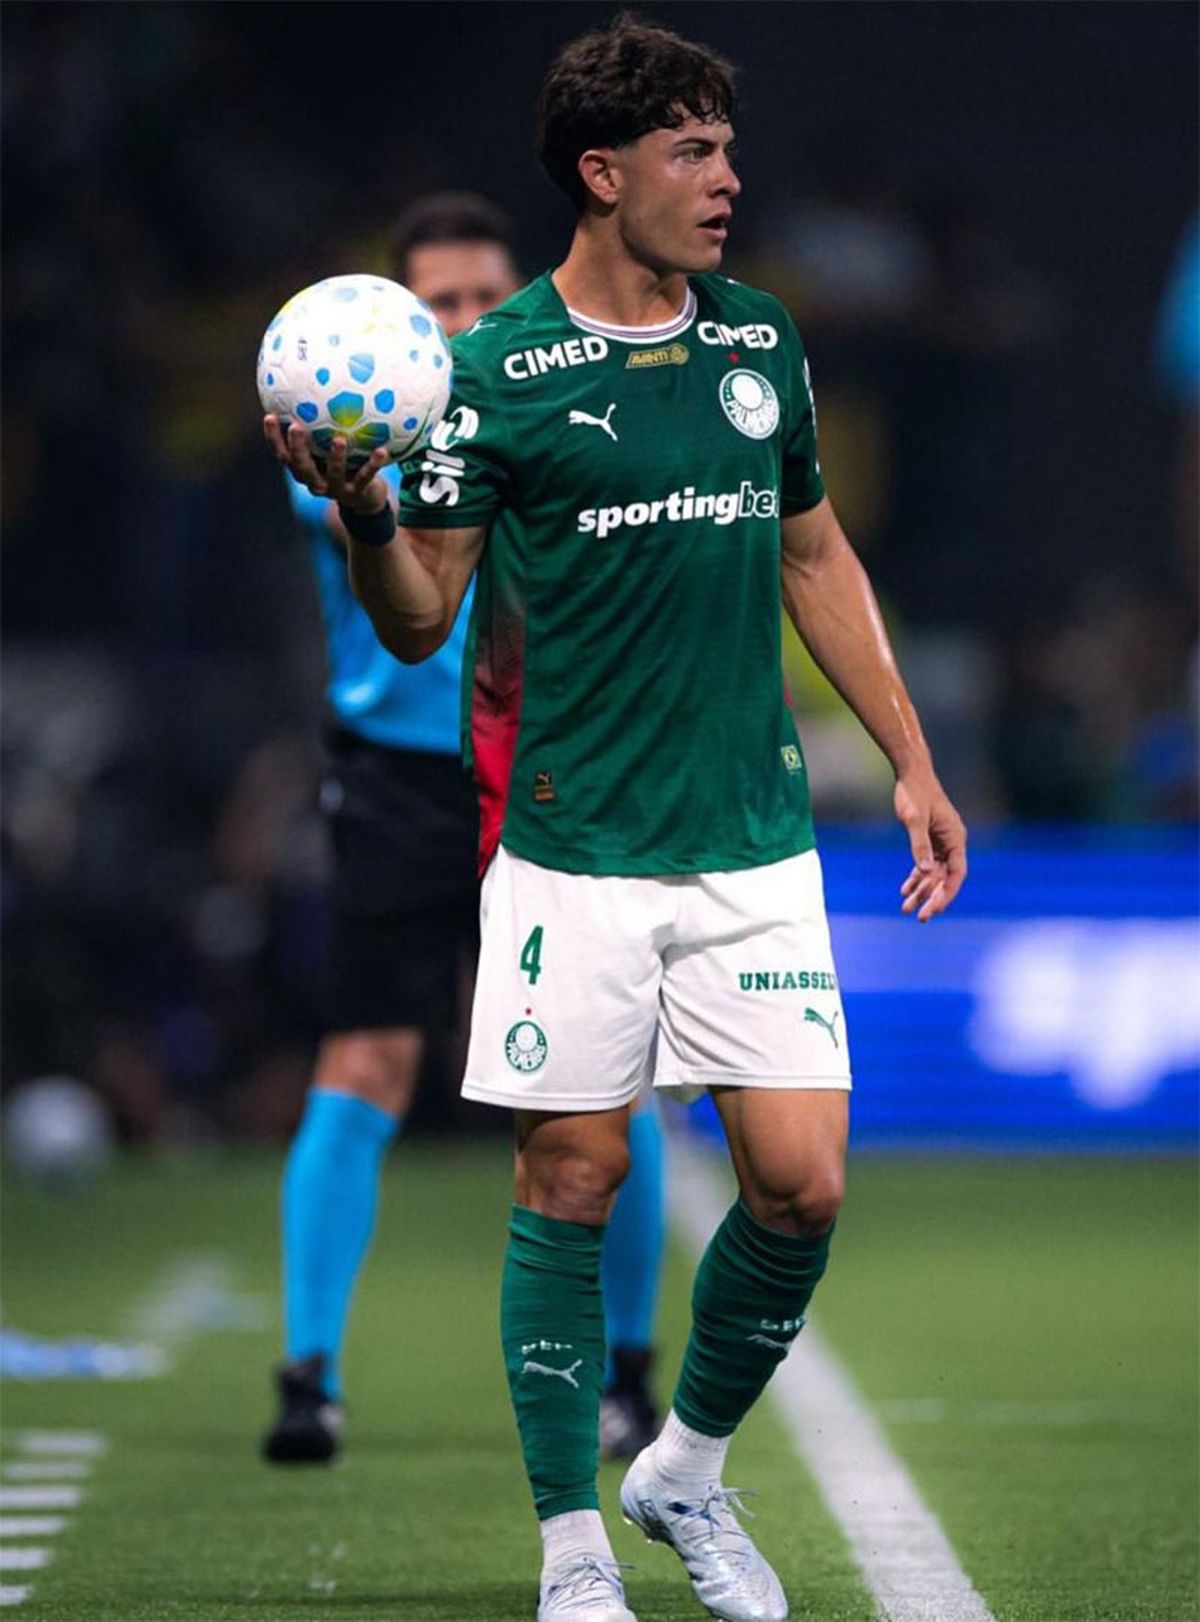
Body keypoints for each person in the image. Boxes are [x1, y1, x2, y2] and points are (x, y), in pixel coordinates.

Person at [266, 16, 967, 1622]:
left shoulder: (759, 341)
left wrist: (913, 758)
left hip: (751, 839)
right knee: (571, 1176)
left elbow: (815, 556)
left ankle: (684, 1472)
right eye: (691, 152)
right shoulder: (496, 371)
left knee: (803, 1182)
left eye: (726, 149)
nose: (727, 181)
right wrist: (369, 508)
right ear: (603, 173)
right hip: (571, 851)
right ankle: (571, 1546)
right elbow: (421, 620)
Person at [263, 193, 668, 1466]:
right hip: (399, 784)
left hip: (552, 773)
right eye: (440, 300)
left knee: (608, 1076)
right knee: (368, 1058)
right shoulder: (346, 446)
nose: (466, 319)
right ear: (396, 319)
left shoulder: (555, 414)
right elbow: (391, 533)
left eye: (488, 297)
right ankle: (309, 1376)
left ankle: (626, 1370)